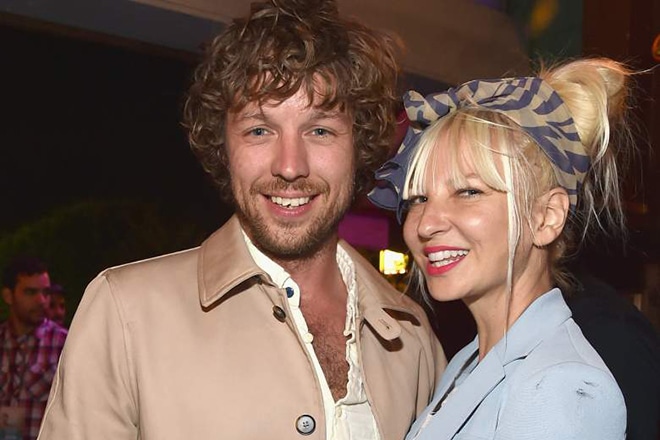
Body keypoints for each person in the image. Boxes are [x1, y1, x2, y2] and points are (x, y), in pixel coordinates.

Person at [37, 1, 446, 439]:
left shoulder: (413, 338)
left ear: (358, 147)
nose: (290, 166)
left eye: (320, 130)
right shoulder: (125, 314)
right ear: (224, 147)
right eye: (259, 130)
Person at [369, 57, 633, 439]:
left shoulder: (561, 387)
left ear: (546, 218)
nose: (425, 224)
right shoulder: (469, 362)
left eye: (468, 192)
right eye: (419, 198)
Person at [1, 257, 67, 440]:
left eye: (45, 292)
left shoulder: (64, 344)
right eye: (30, 292)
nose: (41, 300)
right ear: (8, 296)